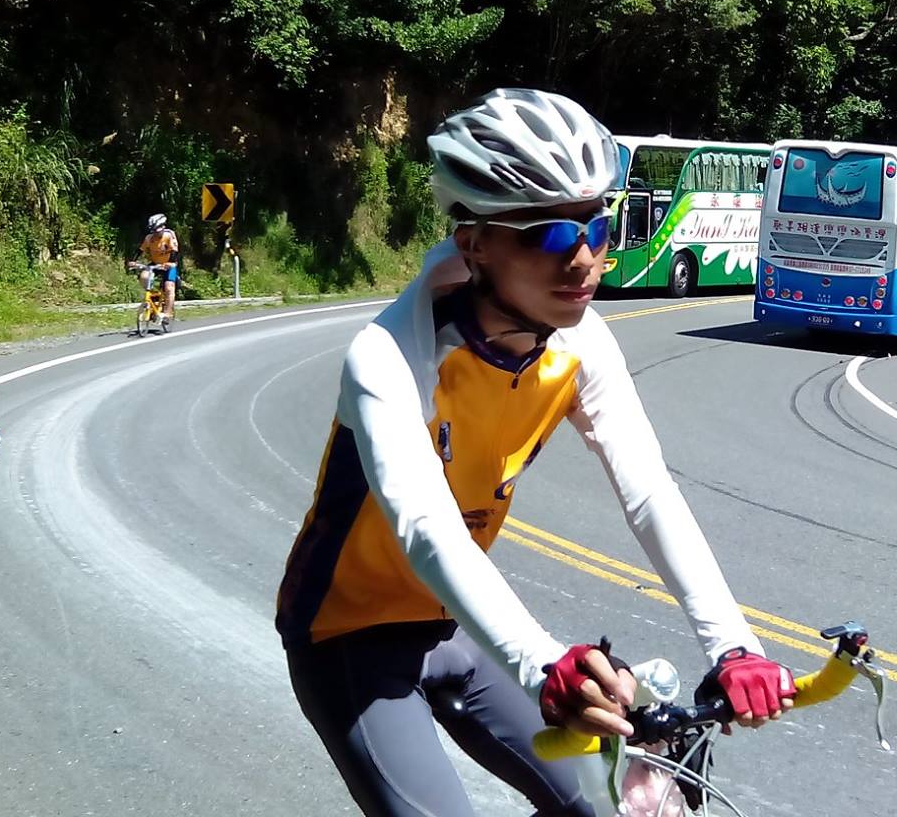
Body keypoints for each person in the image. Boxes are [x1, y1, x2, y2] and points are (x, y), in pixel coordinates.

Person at [275, 89, 794, 817]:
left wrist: (733, 645)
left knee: (618, 805)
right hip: (349, 633)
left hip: (455, 626)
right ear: (473, 244)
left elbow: (649, 493)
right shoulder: (389, 356)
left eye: (597, 226)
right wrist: (545, 664)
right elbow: (427, 530)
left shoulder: (580, 341)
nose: (583, 259)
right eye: (547, 234)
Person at [132, 212, 180, 331]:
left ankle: (167, 314)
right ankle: (152, 299)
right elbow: (140, 250)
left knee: (169, 288)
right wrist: (133, 261)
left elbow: (174, 251)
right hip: (155, 264)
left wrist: (171, 263)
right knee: (144, 276)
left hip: (169, 264)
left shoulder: (169, 236)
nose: (156, 234)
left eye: (157, 231)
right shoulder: (149, 238)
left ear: (163, 227)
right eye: (153, 231)